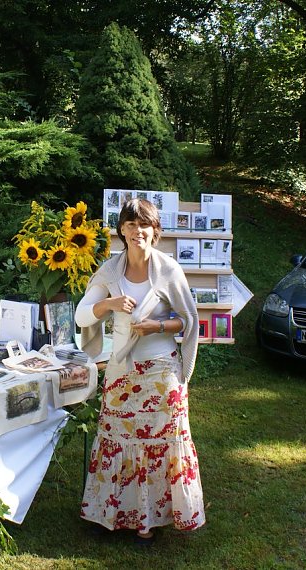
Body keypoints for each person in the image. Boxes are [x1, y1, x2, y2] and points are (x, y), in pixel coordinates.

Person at [76, 198, 205, 544]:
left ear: (155, 230)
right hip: (122, 373)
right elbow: (82, 316)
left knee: (160, 446)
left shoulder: (168, 270)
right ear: (122, 230)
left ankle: (151, 521)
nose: (137, 231)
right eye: (130, 225)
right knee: (118, 443)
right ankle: (117, 516)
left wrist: (157, 327)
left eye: (144, 225)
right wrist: (109, 304)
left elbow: (188, 320)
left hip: (162, 376)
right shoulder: (111, 271)